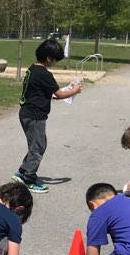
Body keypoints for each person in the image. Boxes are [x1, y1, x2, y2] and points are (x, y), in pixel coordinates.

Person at [11, 39, 82, 194]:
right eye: (55, 60)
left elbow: (42, 93)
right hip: (35, 115)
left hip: (27, 113)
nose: (55, 63)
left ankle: (23, 171)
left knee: (36, 144)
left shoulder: (32, 69)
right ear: (49, 58)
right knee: (38, 147)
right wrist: (75, 90)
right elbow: (60, 94)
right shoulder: (44, 74)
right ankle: (28, 179)